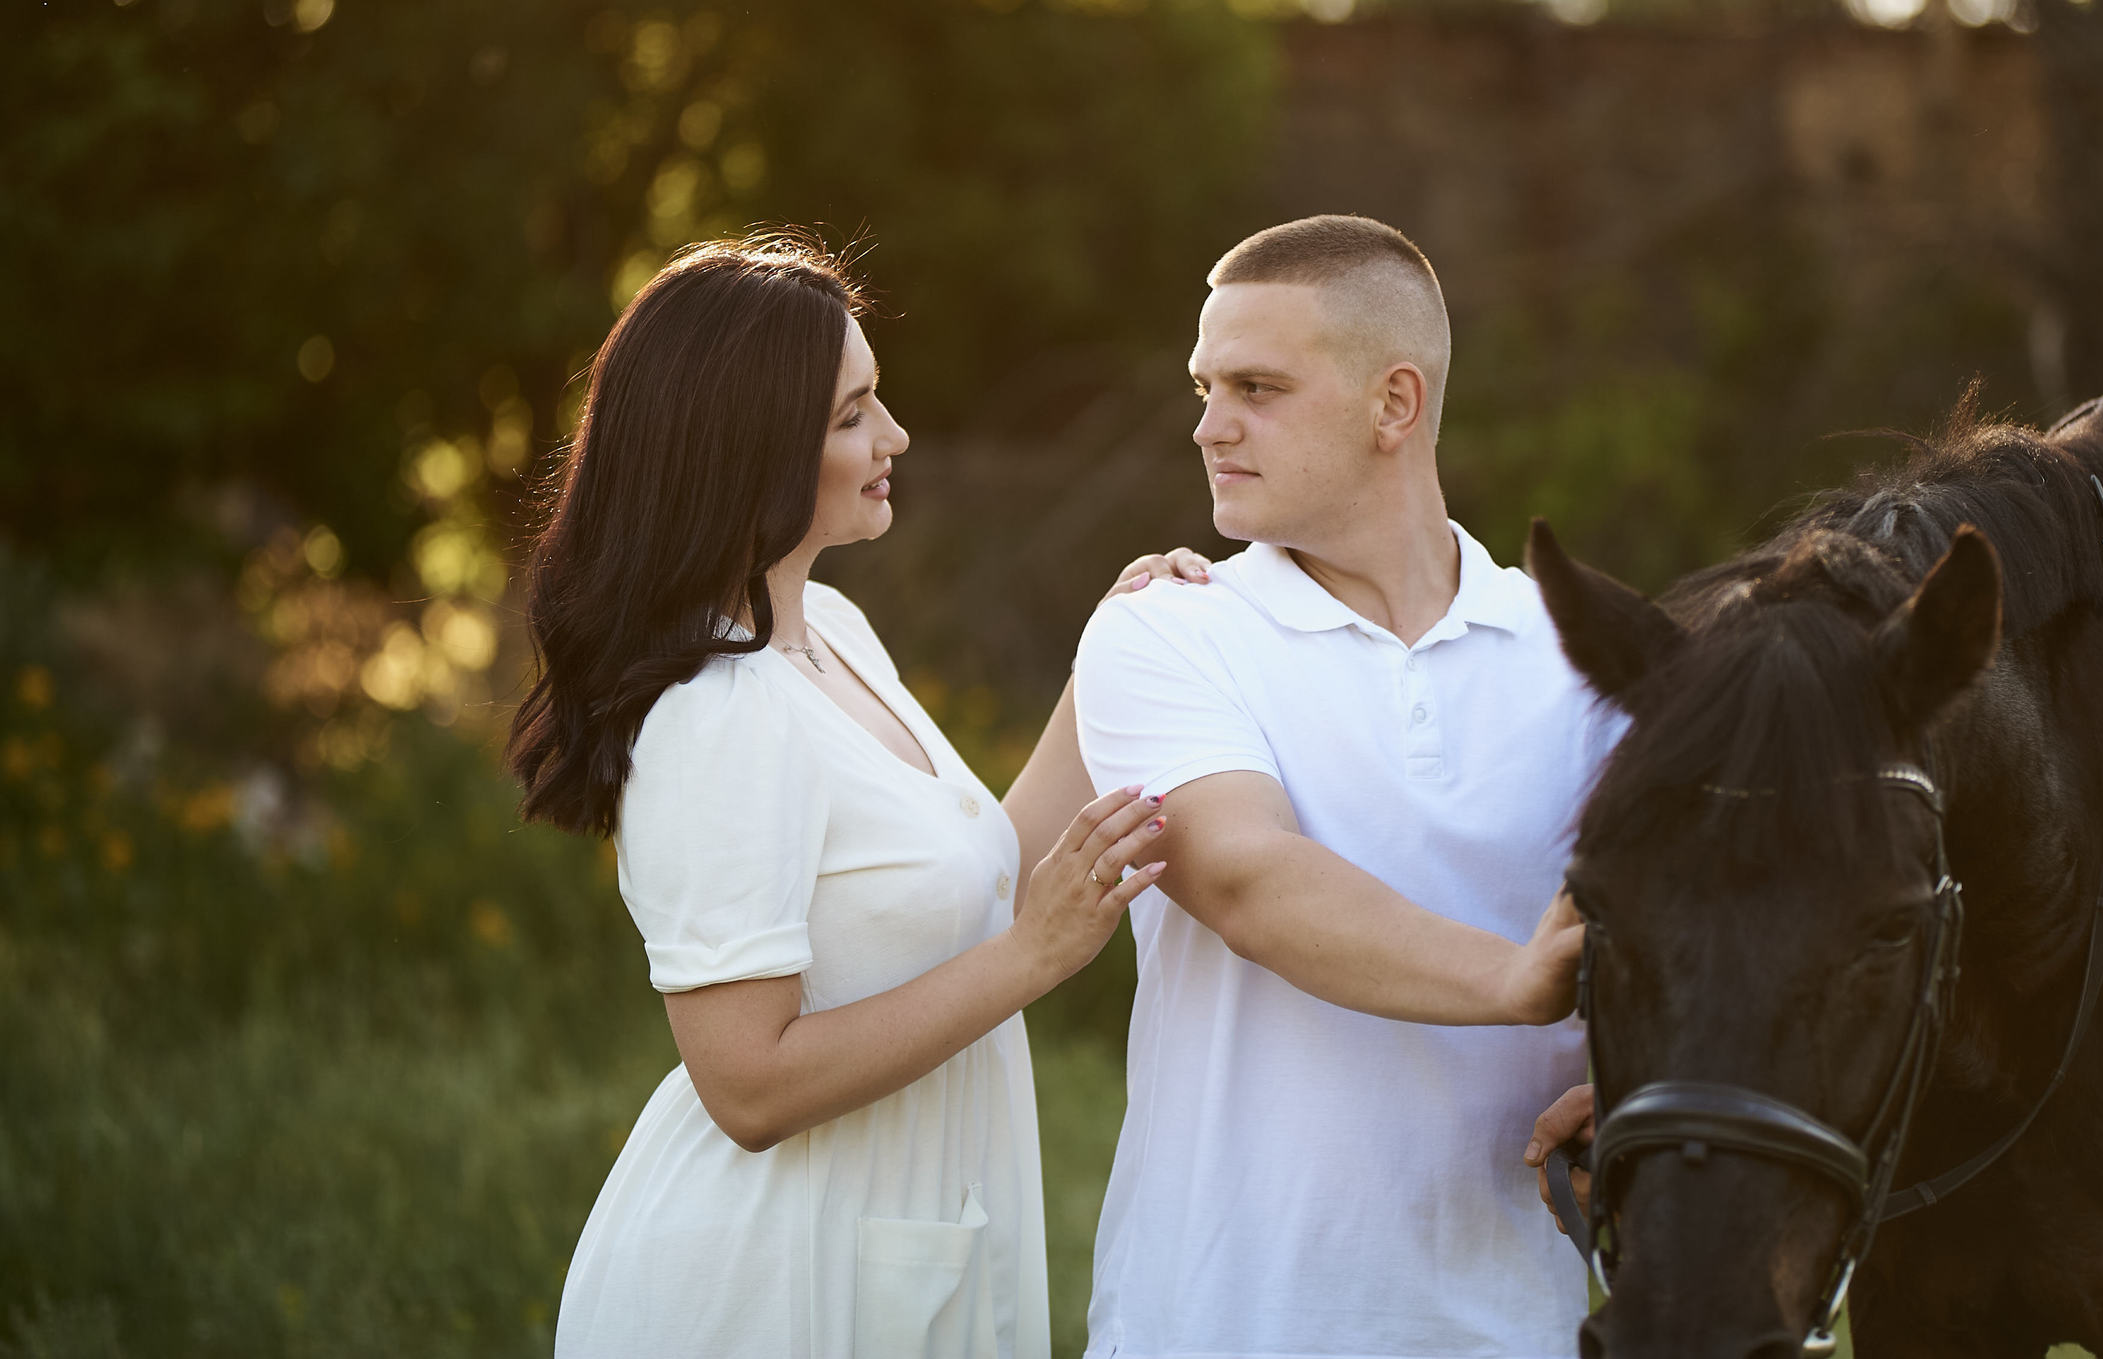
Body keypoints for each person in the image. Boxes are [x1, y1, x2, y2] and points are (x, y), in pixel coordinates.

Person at [508, 236, 1202, 1359]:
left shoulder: (831, 632)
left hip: (900, 1232)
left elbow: (974, 881)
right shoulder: (716, 711)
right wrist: (1034, 957)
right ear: (747, 451)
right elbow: (746, 1081)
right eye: (851, 415)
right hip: (766, 1283)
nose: (895, 436)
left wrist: (1106, 658)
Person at [1055, 214, 1625, 1359]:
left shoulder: (1588, 654)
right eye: (1205, 386)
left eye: (1257, 387)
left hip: (1518, 1325)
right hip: (1220, 1321)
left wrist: (1631, 1073)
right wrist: (1516, 979)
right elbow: (1249, 878)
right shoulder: (1167, 630)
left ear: (1394, 403)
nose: (1210, 427)